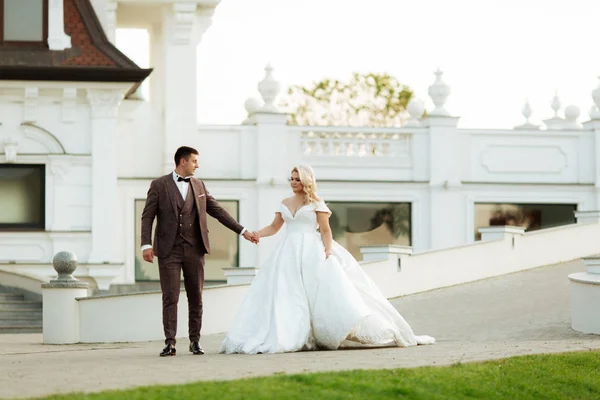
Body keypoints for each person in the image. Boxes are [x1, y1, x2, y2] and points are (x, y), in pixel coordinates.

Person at [219, 164, 434, 354]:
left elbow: (325, 231)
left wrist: (328, 251)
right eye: (291, 179)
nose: (293, 183)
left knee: (315, 292)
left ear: (306, 181)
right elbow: (275, 227)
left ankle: (322, 331)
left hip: (311, 250)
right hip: (287, 252)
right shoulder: (284, 202)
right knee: (288, 291)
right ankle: (290, 332)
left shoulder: (317, 203)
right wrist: (257, 234)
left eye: (297, 179)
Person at [141, 146, 258, 357]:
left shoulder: (199, 185)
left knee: (196, 297)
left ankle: (195, 341)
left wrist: (243, 231)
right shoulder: (159, 185)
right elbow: (147, 216)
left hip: (195, 249)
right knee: (170, 297)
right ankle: (170, 343)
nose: (198, 165)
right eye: (195, 161)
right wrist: (145, 244)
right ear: (182, 161)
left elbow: (218, 211)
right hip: (168, 250)